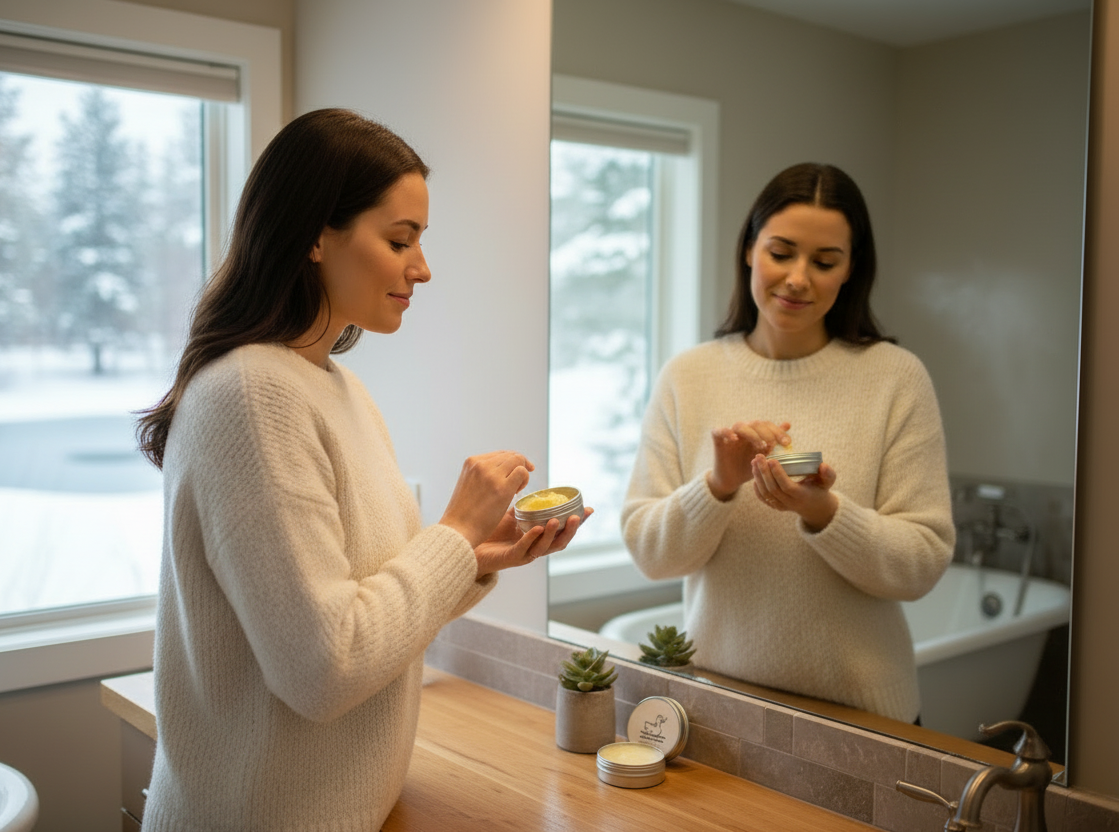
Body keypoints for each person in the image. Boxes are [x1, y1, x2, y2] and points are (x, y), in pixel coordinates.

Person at [134, 108, 589, 831]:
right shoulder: (253, 395)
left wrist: (473, 555)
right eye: (400, 240)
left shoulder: (337, 389)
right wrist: (453, 532)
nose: (422, 267)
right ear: (316, 235)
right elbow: (324, 669)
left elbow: (360, 604)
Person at [620, 162, 954, 723]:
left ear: (850, 270)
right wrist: (718, 485)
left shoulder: (896, 378)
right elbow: (651, 555)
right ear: (749, 250)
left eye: (824, 262)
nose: (799, 278)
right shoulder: (687, 377)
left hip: (866, 721)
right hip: (722, 712)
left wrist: (826, 514)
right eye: (781, 253)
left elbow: (922, 563)